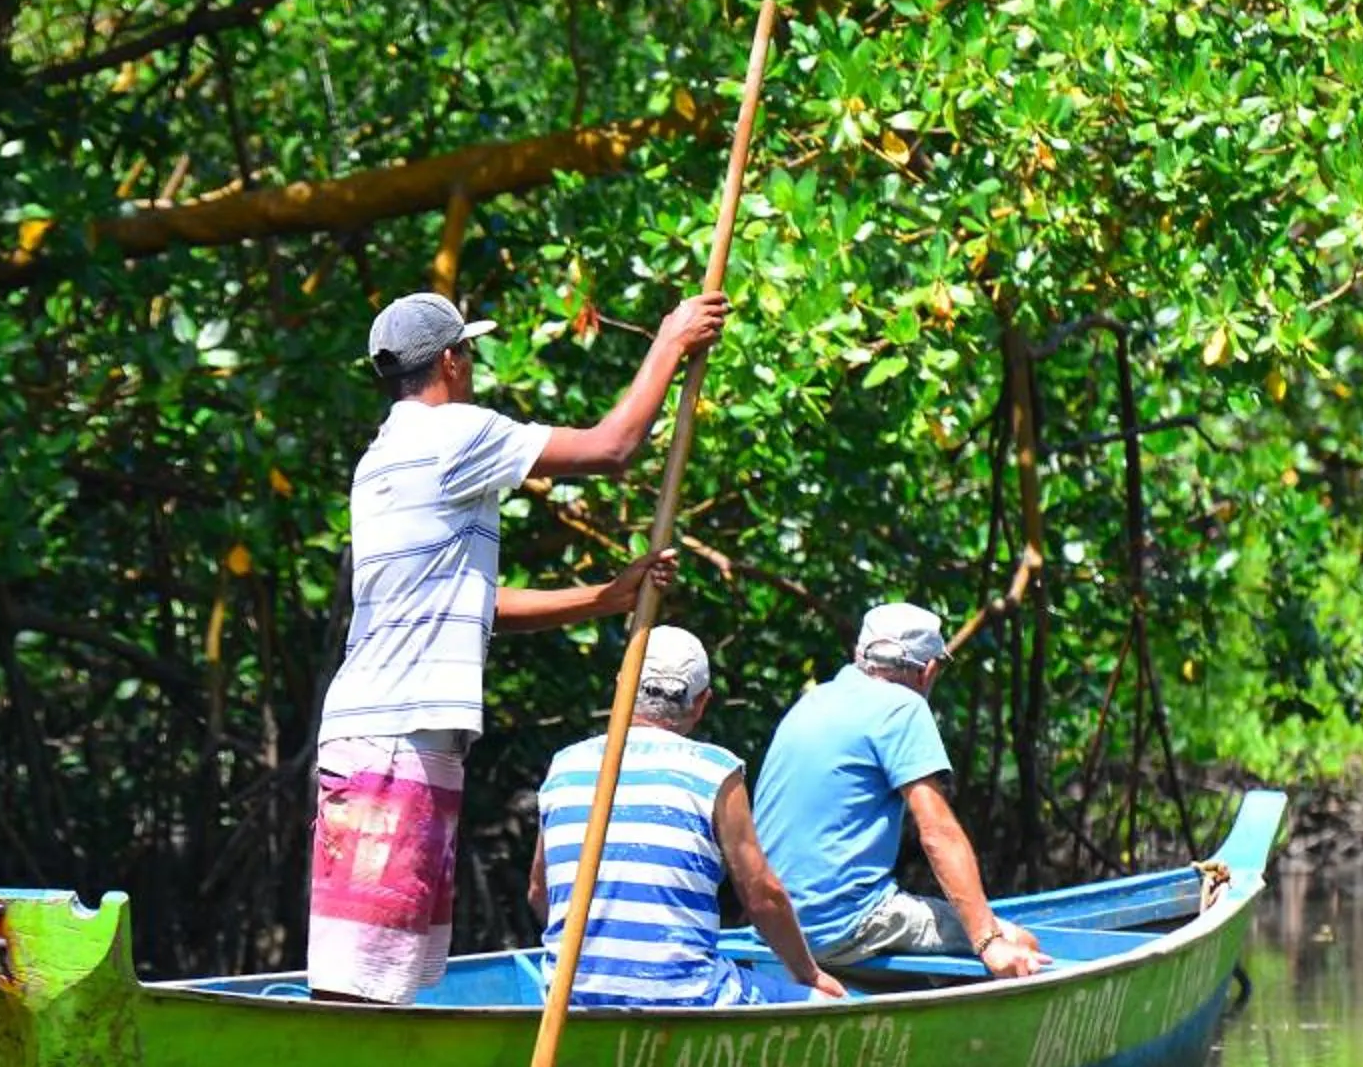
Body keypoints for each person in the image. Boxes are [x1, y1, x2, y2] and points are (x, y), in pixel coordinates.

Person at [309, 287, 728, 1003]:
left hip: (389, 732)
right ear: (451, 360)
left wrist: (603, 598)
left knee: (385, 969)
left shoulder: (384, 454)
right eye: (469, 351)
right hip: (394, 736)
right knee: (363, 980)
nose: (472, 365)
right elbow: (612, 447)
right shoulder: (451, 434)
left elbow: (477, 606)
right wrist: (671, 340)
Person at [527, 626, 846, 1007]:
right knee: (827, 1002)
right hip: (686, 994)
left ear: (621, 685)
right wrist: (808, 973)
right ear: (701, 702)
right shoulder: (716, 770)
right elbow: (762, 895)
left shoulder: (565, 764)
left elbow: (539, 893)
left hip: (567, 996)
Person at [749, 603, 1051, 978]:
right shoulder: (902, 706)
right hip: (842, 927)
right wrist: (990, 941)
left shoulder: (813, 700)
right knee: (1023, 944)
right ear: (928, 671)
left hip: (774, 927)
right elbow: (938, 833)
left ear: (860, 656)